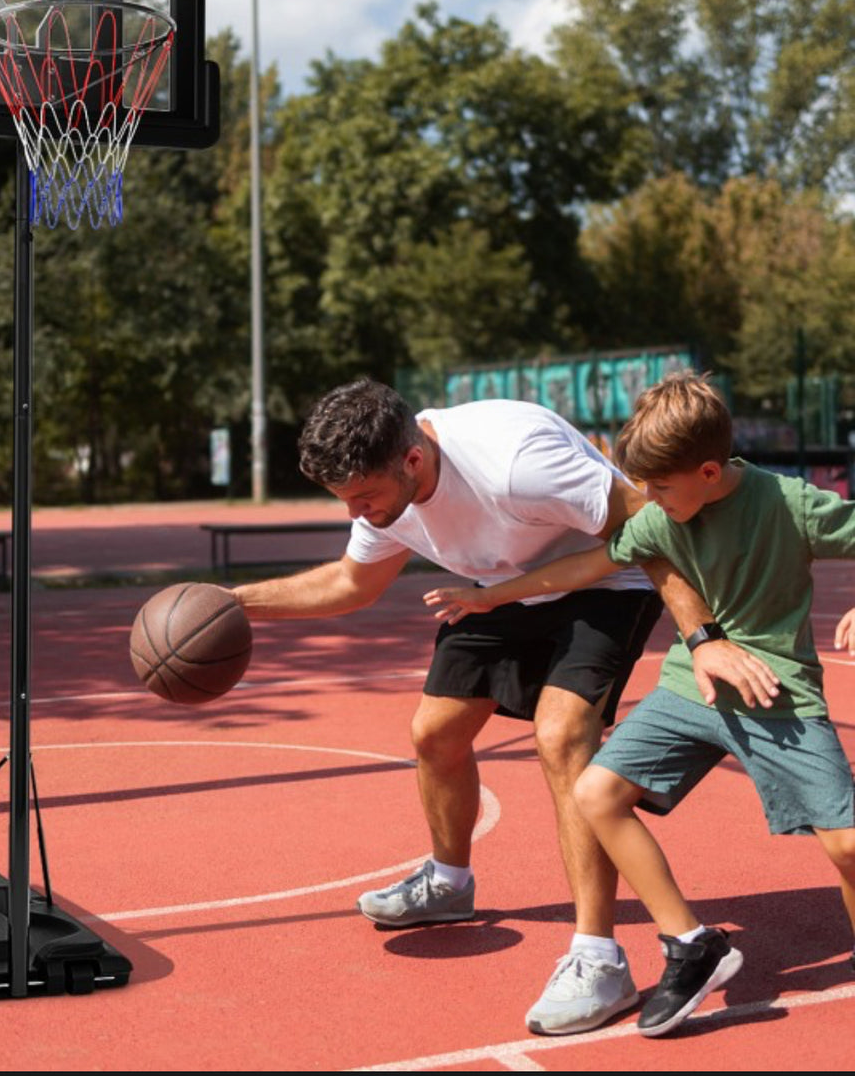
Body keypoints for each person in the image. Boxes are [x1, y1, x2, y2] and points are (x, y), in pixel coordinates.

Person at [231, 377, 776, 1035]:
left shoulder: (517, 464)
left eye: (364, 498)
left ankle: (598, 958)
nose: (359, 515)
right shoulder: (386, 491)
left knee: (563, 732)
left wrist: (704, 636)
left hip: (606, 575)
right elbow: (352, 581)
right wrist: (233, 602)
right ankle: (449, 882)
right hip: (502, 585)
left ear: (413, 458)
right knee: (434, 733)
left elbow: (649, 525)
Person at [425, 372, 855, 1037]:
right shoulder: (659, 514)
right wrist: (493, 595)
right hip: (691, 686)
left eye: (658, 487)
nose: (645, 501)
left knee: (849, 844)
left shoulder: (790, 503)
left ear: (710, 471)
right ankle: (690, 942)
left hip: (777, 694)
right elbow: (588, 565)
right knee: (597, 792)